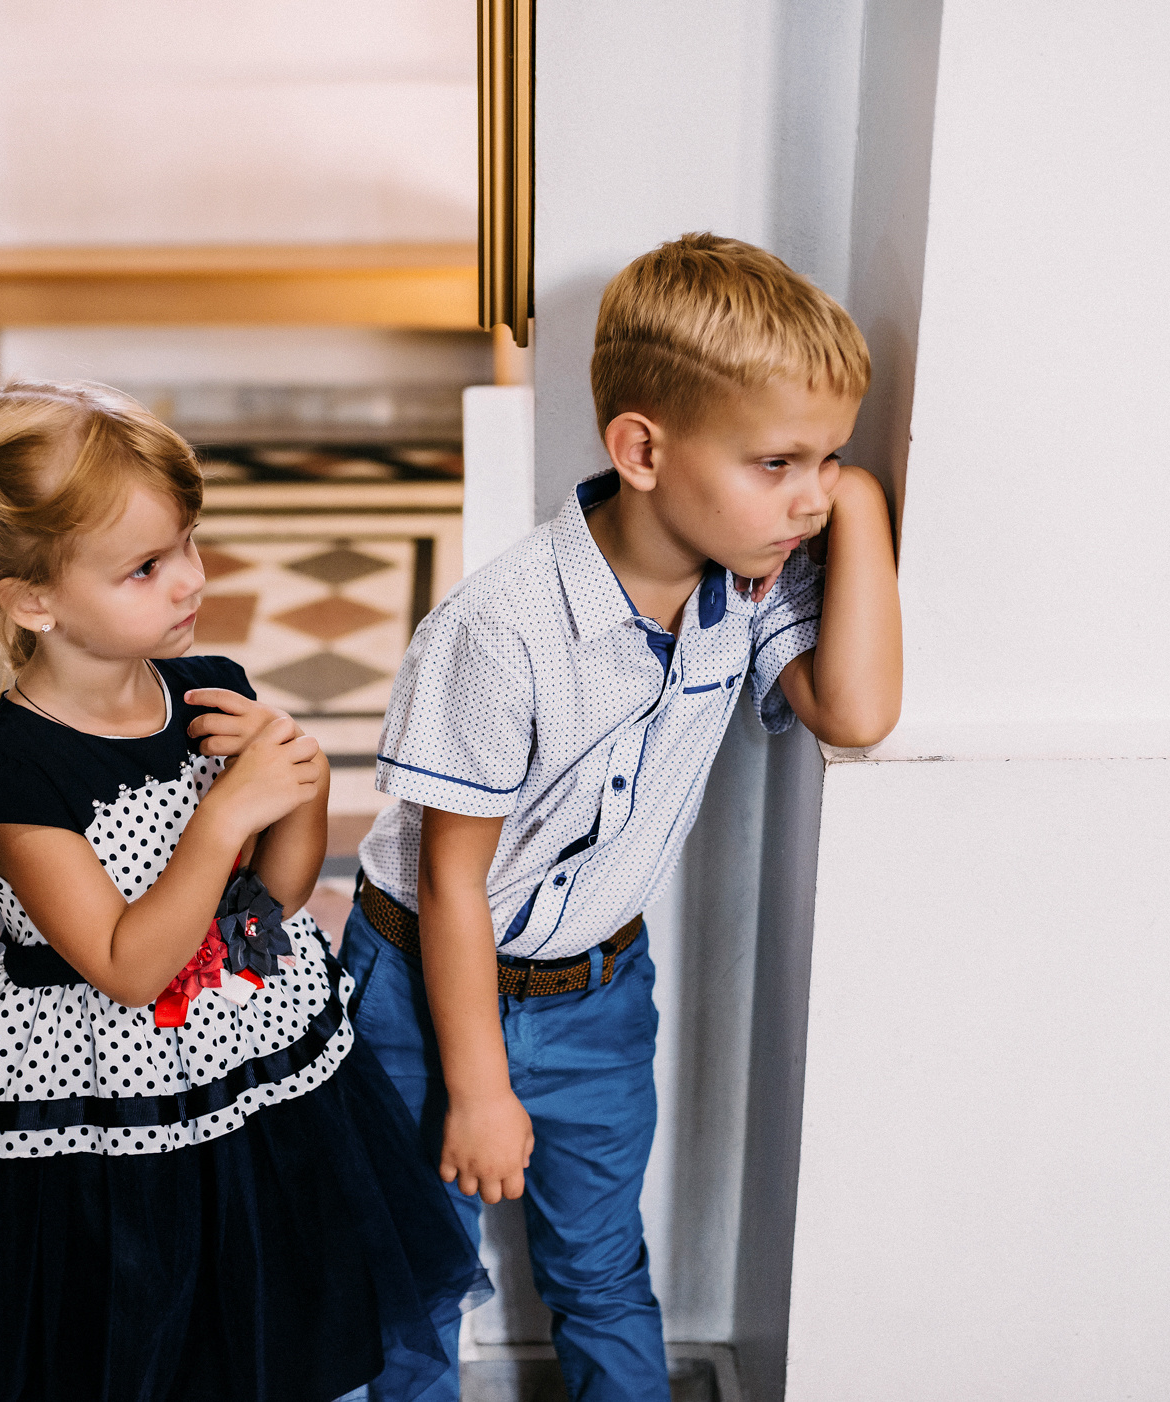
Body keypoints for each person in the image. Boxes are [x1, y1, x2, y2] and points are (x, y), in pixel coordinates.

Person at [343, 233, 904, 1401]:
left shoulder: (751, 585)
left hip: (598, 997)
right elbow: (451, 885)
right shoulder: (501, 628)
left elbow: (856, 710)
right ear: (643, 450)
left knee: (603, 1269)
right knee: (410, 1280)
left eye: (830, 458)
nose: (809, 493)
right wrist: (482, 1087)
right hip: (423, 989)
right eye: (779, 462)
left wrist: (857, 506)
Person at [0, 380, 488, 1402]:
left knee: (268, 1316)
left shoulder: (207, 685)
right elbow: (129, 965)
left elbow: (273, 902)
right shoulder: (11, 779)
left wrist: (300, 777)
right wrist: (221, 814)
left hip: (255, 1064)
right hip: (104, 1111)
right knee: (134, 1336)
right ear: (34, 598)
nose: (189, 581)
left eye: (188, 545)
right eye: (146, 566)